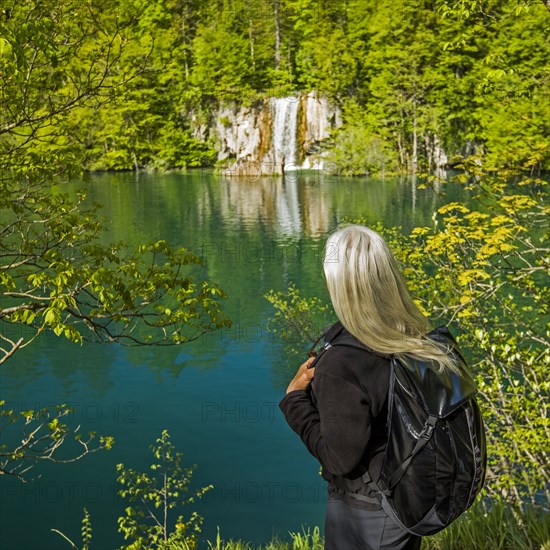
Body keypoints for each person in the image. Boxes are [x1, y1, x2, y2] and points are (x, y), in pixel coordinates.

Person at [279, 224, 456, 550]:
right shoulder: (413, 338)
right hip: (405, 501)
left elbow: (339, 459)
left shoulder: (343, 362)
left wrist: (294, 401)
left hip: (366, 516)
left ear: (340, 286)